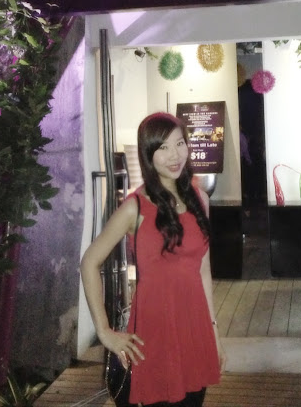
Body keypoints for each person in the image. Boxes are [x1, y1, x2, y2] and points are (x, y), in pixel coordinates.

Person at [81, 112, 226, 407]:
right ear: (148, 154)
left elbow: (203, 270)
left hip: (194, 327)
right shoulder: (134, 207)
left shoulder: (200, 199)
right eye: (163, 147)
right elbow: (89, 263)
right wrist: (105, 332)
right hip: (154, 330)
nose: (175, 155)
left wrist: (213, 331)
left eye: (180, 143)